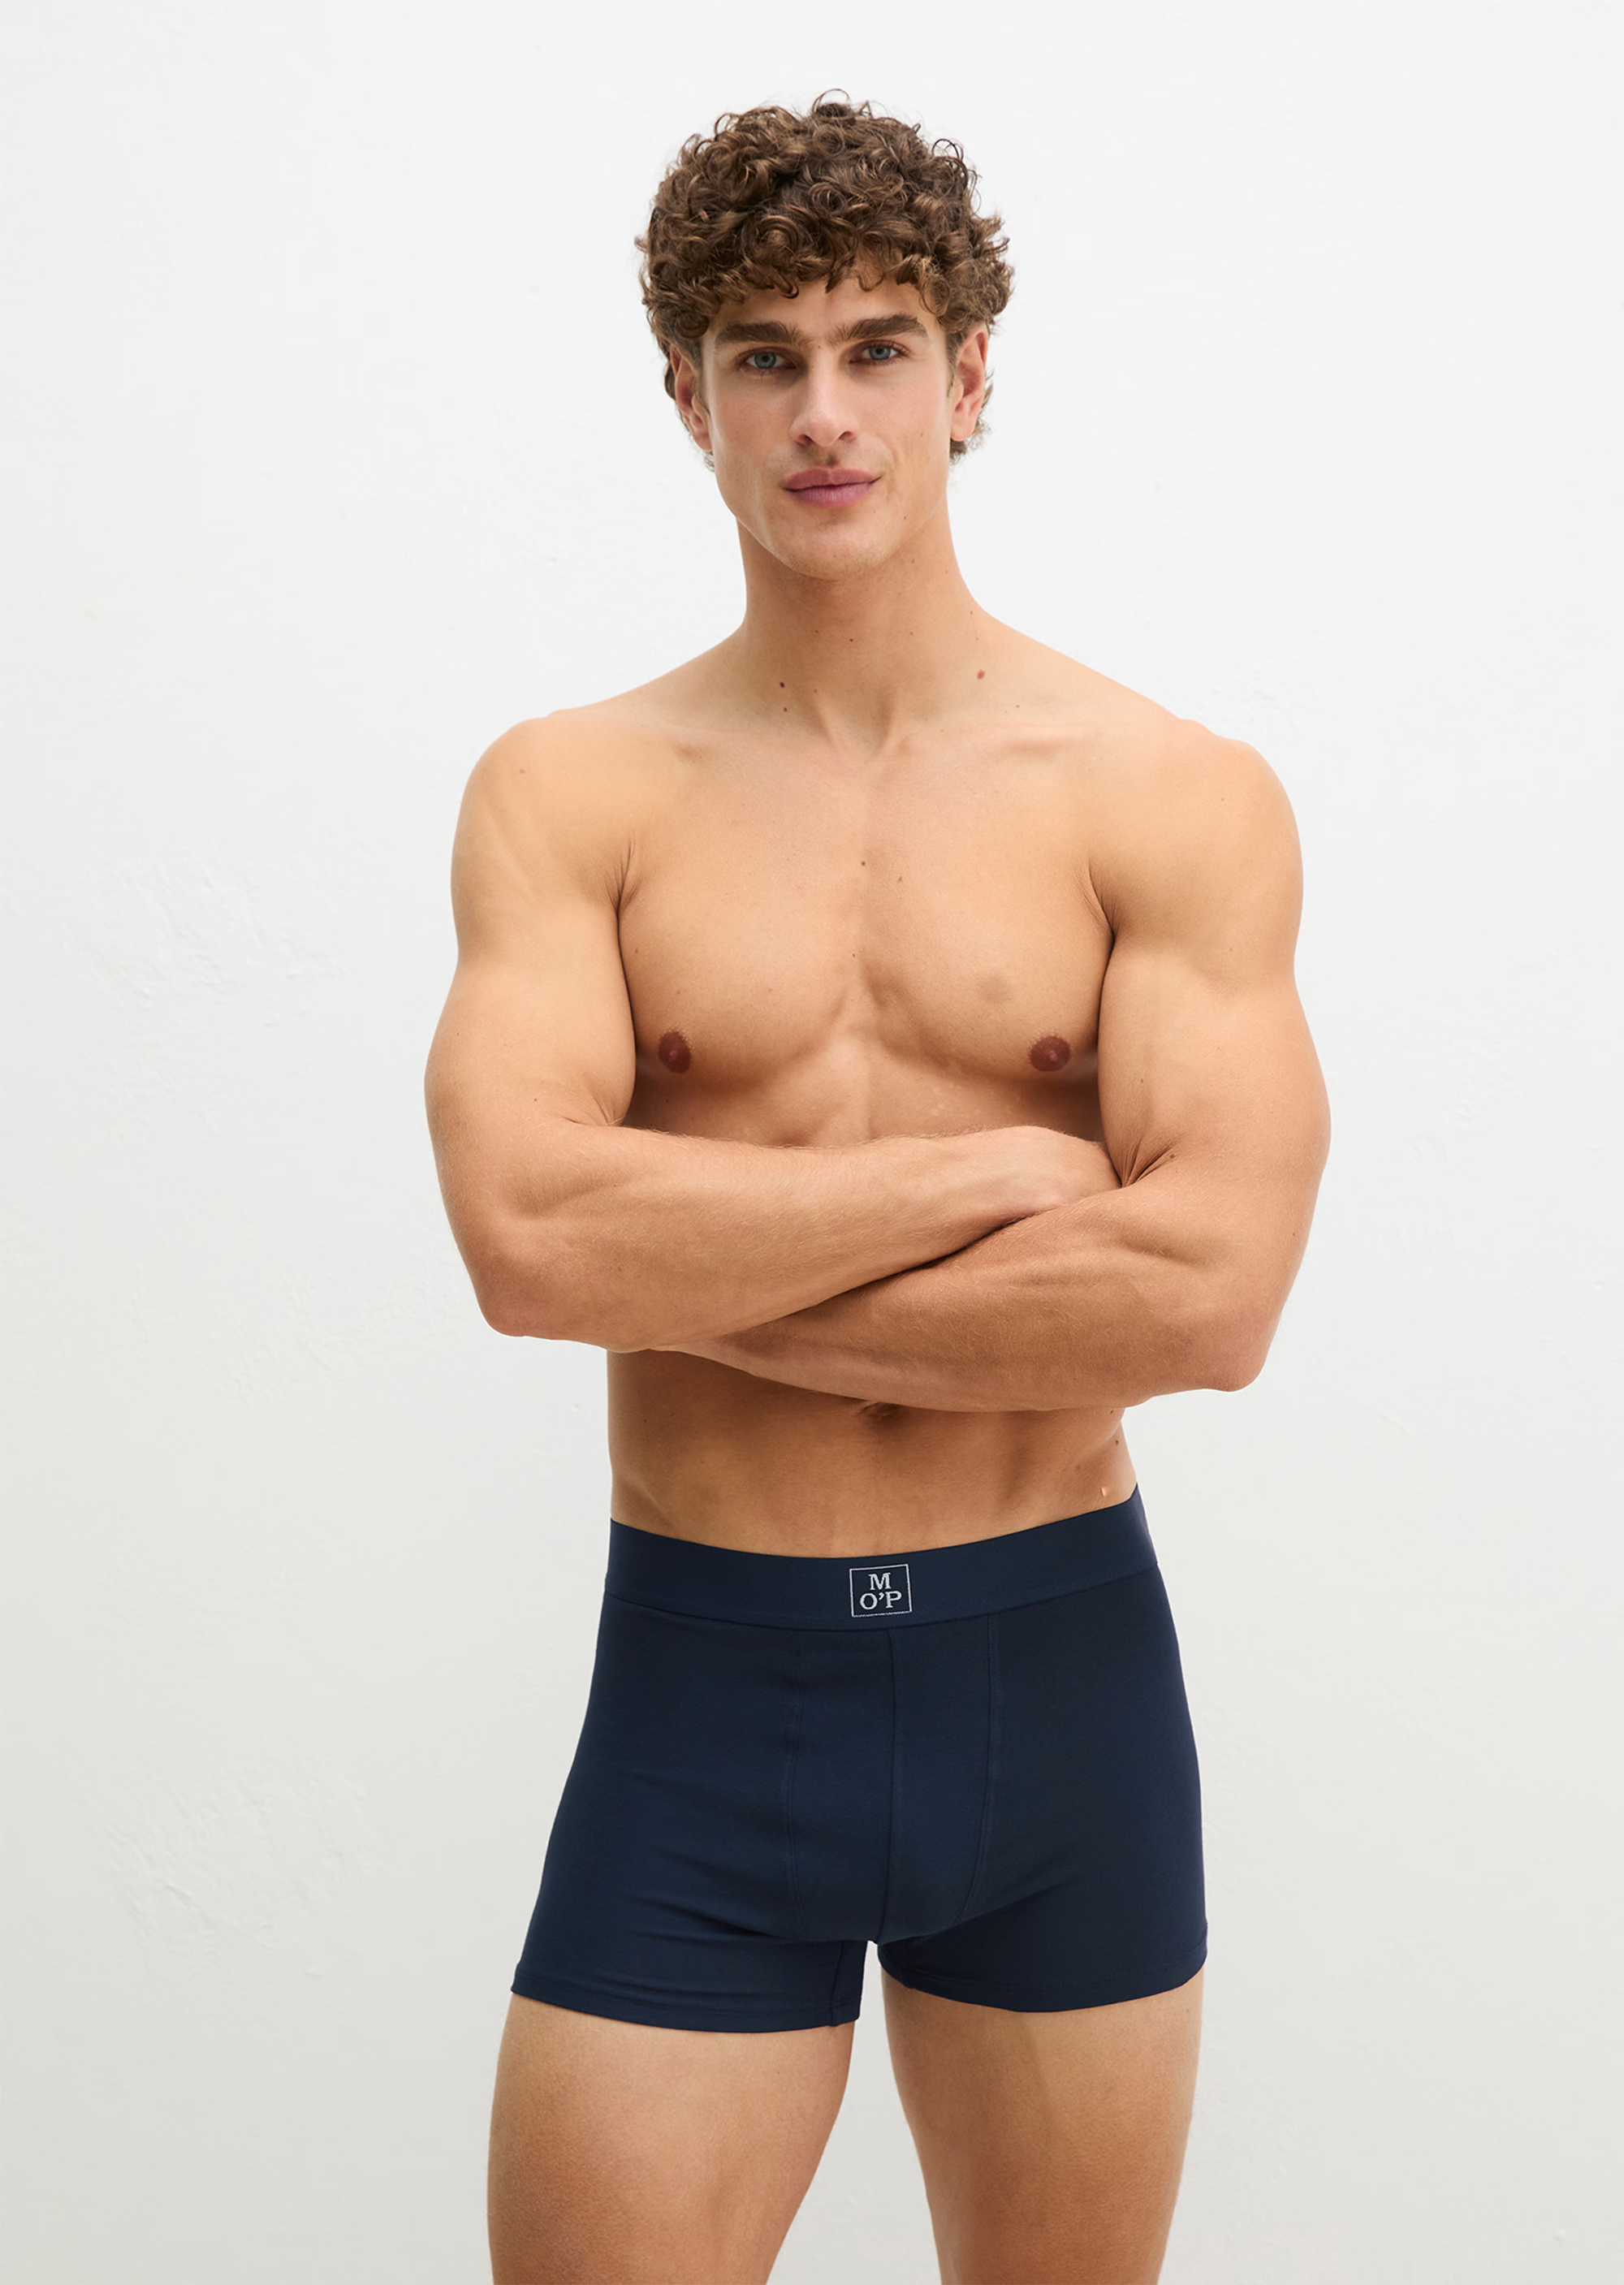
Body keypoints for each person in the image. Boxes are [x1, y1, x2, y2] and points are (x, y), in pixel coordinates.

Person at [425, 94, 1329, 2285]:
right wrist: (995, 1174)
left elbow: (1208, 1300)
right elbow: (527, 1243)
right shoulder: (572, 794)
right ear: (691, 398)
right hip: (705, 1698)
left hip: (1060, 1693)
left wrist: (674, 1252)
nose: (824, 413)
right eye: (766, 357)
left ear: (969, 372)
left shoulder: (1166, 795)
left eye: (878, 347)